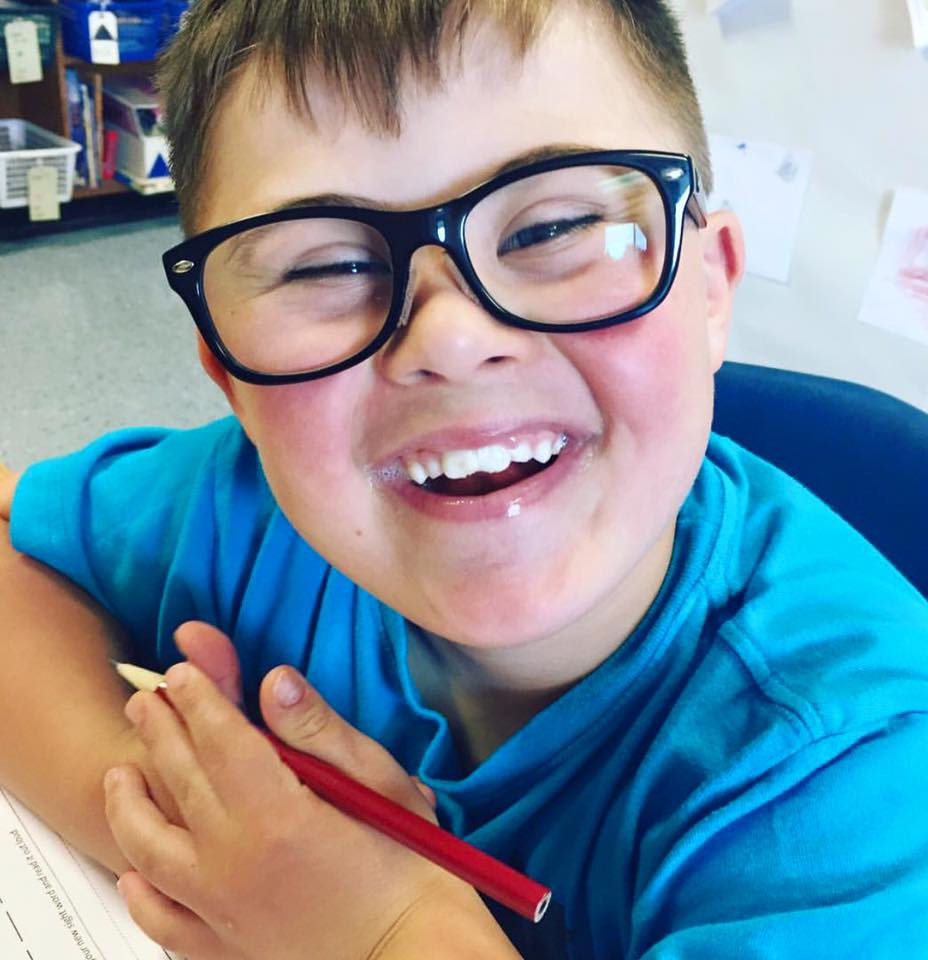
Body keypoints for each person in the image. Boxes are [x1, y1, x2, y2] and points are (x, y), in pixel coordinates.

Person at [2, 1, 928, 957]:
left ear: (710, 290)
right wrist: (191, 838)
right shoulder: (243, 507)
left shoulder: (866, 774)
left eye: (551, 228)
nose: (449, 335)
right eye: (328, 266)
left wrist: (390, 935)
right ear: (230, 378)